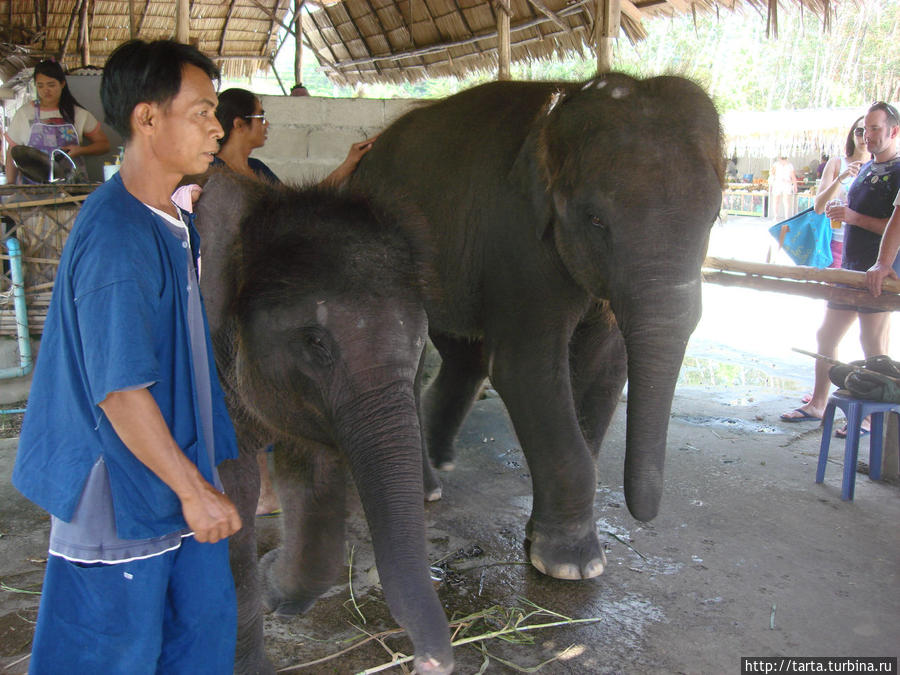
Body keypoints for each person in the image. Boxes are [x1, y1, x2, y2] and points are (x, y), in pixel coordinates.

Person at [12, 40, 242, 673]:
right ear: (147, 119)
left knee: (199, 631)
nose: (216, 127)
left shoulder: (166, 217)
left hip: (173, 472)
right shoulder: (117, 238)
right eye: (201, 111)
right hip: (124, 486)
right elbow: (120, 392)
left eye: (216, 111)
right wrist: (194, 491)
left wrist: (194, 484)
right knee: (112, 651)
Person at [209, 87, 376, 516]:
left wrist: (349, 164)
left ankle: (267, 485)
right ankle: (254, 490)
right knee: (232, 397)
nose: (266, 125)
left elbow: (300, 210)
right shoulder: (206, 175)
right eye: (261, 117)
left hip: (265, 302)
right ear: (239, 124)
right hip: (222, 303)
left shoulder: (258, 170)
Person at [781, 101, 900, 436]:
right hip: (848, 270)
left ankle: (869, 415)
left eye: (876, 129)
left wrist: (853, 218)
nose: (868, 136)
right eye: (864, 130)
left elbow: (894, 226)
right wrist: (841, 208)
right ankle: (818, 401)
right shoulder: (864, 168)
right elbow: (854, 215)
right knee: (826, 335)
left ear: (894, 130)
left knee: (873, 344)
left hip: (878, 273)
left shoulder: (898, 170)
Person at [4, 60, 110, 183]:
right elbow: (12, 151)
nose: (46, 90)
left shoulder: (78, 114)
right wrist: (10, 184)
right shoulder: (24, 114)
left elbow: (104, 145)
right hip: (33, 190)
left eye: (51, 85)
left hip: (71, 188)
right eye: (40, 85)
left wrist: (80, 150)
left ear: (62, 84)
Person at [813, 116, 868, 269]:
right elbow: (818, 207)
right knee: (834, 291)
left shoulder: (881, 167)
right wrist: (841, 178)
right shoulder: (837, 163)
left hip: (868, 245)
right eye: (859, 131)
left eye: (870, 130)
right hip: (837, 242)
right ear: (852, 135)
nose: (864, 136)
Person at [769, 156, 798, 222]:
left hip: (787, 183)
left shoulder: (789, 165)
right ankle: (776, 216)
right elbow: (772, 174)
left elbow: (793, 176)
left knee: (786, 201)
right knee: (776, 200)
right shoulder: (776, 165)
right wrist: (771, 183)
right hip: (777, 183)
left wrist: (795, 185)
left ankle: (786, 217)